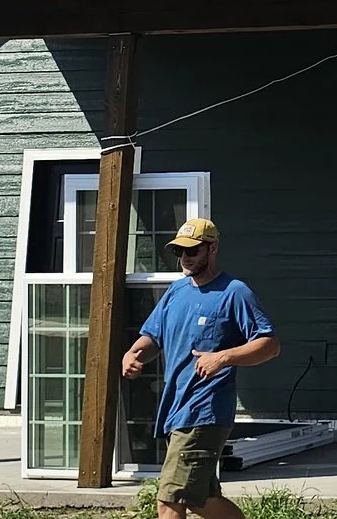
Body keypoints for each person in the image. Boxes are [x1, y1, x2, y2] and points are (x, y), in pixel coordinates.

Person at [120, 217, 280, 519]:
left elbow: (270, 345)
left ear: (213, 248)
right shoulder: (176, 292)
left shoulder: (234, 292)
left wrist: (222, 358)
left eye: (192, 251)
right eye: (179, 252)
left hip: (205, 411)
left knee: (169, 500)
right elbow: (153, 337)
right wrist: (134, 353)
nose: (184, 258)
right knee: (201, 499)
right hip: (175, 410)